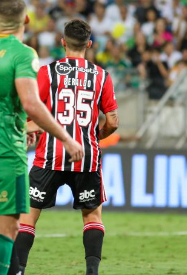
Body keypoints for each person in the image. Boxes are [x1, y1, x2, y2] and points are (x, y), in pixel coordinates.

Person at [0, 0, 83, 274]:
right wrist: (65, 138)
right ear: (26, 20)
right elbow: (31, 103)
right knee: (6, 230)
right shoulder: (23, 53)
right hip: (4, 149)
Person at [21, 19, 119, 275]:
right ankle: (92, 272)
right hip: (85, 157)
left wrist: (32, 128)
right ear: (89, 44)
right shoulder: (101, 75)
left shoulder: (46, 72)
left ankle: (17, 271)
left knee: (28, 218)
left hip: (49, 156)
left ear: (62, 42)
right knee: (92, 217)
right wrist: (95, 137)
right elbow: (113, 121)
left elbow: (31, 110)